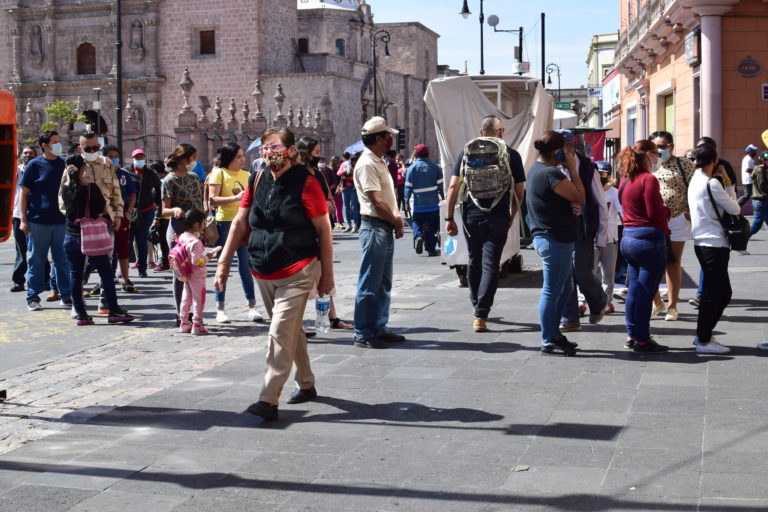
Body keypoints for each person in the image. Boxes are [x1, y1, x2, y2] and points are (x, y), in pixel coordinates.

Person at [214, 127, 334, 421]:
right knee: (290, 330)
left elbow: (324, 230)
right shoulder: (257, 179)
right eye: (265, 147)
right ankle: (306, 383)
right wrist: (224, 263)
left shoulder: (307, 183)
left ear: (292, 150)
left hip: (299, 266)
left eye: (276, 146)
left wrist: (327, 277)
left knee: (279, 330)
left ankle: (268, 399)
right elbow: (240, 223)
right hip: (263, 268)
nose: (270, 152)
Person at [445, 115, 526, 332]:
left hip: (472, 215)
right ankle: (481, 314)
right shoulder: (511, 154)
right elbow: (519, 191)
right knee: (491, 263)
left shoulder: (466, 153)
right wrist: (512, 215)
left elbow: (453, 187)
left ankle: (475, 305)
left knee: (474, 260)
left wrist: (449, 217)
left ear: (481, 133)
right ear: (501, 132)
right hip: (498, 215)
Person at [526, 131, 584, 355]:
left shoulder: (537, 170)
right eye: (567, 149)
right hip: (554, 239)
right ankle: (548, 338)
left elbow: (561, 200)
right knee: (552, 291)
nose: (570, 153)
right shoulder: (551, 173)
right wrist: (573, 169)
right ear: (557, 151)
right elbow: (579, 195)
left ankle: (553, 334)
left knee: (564, 288)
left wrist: (570, 206)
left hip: (551, 237)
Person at [60, 154, 135, 325]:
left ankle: (81, 313)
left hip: (71, 235)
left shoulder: (65, 188)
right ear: (82, 168)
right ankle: (114, 310)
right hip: (92, 236)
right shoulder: (91, 187)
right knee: (106, 272)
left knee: (75, 275)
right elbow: (101, 207)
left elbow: (66, 209)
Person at [353, 117, 406, 348]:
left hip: (382, 226)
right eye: (387, 136)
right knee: (369, 282)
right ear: (378, 138)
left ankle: (379, 326)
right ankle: (363, 331)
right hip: (375, 226)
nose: (390, 140)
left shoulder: (378, 161)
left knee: (383, 282)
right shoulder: (367, 164)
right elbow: (376, 201)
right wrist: (395, 220)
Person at [618, 140, 670, 353]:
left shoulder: (625, 179)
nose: (658, 157)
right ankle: (642, 339)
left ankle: (632, 335)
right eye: (657, 153)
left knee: (634, 291)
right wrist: (667, 211)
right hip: (648, 239)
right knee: (645, 292)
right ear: (648, 154)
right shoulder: (648, 179)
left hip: (628, 237)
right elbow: (654, 213)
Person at [296, 137, 353, 331]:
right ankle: (296, 322)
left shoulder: (319, 175)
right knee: (302, 277)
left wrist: (327, 205)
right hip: (303, 231)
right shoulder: (297, 175)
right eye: (316, 151)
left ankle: (331, 316)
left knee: (325, 273)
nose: (319, 155)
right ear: (304, 153)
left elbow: (329, 198)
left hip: (320, 229)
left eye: (320, 151)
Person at [688, 144, 740, 354]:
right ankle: (703, 339)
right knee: (717, 294)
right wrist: (727, 180)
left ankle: (704, 334)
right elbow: (734, 208)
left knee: (717, 292)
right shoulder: (712, 184)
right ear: (715, 160)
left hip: (702, 241)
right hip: (714, 243)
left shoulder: (695, 180)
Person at [558, 130, 608, 333]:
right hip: (560, 228)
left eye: (565, 145)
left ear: (572, 146)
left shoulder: (588, 168)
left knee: (581, 272)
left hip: (583, 228)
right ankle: (570, 317)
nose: (562, 150)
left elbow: (600, 202)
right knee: (564, 274)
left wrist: (602, 235)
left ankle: (599, 300)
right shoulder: (552, 166)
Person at [207, 143, 264, 323]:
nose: (242, 159)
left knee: (246, 266)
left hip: (245, 224)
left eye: (242, 156)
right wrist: (235, 198)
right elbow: (212, 200)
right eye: (238, 156)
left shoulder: (248, 175)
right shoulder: (219, 173)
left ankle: (252, 306)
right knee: (223, 264)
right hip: (225, 223)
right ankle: (220, 308)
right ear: (230, 158)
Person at [18, 131, 72, 311]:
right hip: (37, 222)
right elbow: (23, 194)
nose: (58, 145)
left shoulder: (64, 164)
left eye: (59, 142)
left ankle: (66, 295)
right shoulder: (34, 165)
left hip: (60, 221)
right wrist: (23, 220)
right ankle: (32, 297)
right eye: (55, 142)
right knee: (36, 260)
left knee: (62, 261)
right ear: (45, 145)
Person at [648, 131, 695, 322]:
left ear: (671, 146)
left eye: (663, 145)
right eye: (655, 146)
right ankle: (656, 302)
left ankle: (672, 306)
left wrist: (690, 212)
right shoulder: (649, 165)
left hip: (677, 218)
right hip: (654, 219)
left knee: (672, 262)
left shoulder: (684, 164)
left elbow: (695, 187)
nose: (660, 150)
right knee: (651, 263)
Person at [161, 143, 204, 325]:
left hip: (195, 230)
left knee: (196, 273)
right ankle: (180, 314)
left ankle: (194, 313)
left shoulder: (194, 177)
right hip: (178, 230)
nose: (195, 161)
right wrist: (175, 209)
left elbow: (199, 204)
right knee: (180, 273)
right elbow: (164, 209)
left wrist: (204, 228)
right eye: (193, 158)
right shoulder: (169, 180)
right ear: (184, 159)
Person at [177, 209, 220, 335]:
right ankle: (197, 324)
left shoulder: (183, 236)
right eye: (203, 223)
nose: (204, 225)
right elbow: (197, 261)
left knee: (186, 298)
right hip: (196, 274)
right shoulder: (196, 242)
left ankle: (184, 322)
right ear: (196, 224)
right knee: (198, 299)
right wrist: (208, 257)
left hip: (186, 272)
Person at [102, 144, 139, 294]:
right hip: (104, 217)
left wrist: (129, 211)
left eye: (115, 156)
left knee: (122, 248)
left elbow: (132, 194)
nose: (113, 159)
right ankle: (105, 280)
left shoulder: (124, 175)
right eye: (110, 156)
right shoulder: (98, 174)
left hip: (122, 216)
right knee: (104, 250)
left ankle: (125, 279)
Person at [404, 144, 444, 257]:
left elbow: (407, 188)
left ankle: (419, 236)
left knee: (416, 222)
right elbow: (441, 186)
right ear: (428, 154)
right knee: (432, 226)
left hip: (418, 204)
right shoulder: (436, 168)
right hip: (433, 204)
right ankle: (431, 250)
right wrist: (444, 198)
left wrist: (406, 202)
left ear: (416, 155)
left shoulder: (411, 169)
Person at [594, 161, 622, 314]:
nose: (600, 177)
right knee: (588, 272)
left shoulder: (615, 192)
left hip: (610, 238)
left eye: (603, 174)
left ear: (609, 175)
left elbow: (623, 211)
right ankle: (582, 300)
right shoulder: (589, 190)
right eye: (597, 173)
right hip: (591, 238)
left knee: (608, 274)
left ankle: (606, 302)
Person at [11, 146, 37, 293]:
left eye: (31, 153)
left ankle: (43, 279)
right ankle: (18, 281)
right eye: (25, 153)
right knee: (21, 249)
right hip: (17, 214)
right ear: (21, 155)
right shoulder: (15, 170)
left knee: (39, 249)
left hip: (35, 214)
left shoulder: (38, 169)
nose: (28, 155)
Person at [150, 160, 170, 271]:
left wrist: (156, 218)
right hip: (166, 215)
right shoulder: (165, 180)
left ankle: (165, 263)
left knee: (163, 241)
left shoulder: (161, 182)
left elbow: (159, 201)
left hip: (163, 216)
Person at [338, 151, 360, 233]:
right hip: (345, 188)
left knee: (354, 207)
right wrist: (344, 172)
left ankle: (355, 225)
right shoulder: (344, 164)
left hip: (353, 188)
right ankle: (349, 225)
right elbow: (338, 173)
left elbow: (358, 176)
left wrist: (351, 174)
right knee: (346, 207)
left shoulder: (357, 166)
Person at [748, 150, 768, 237]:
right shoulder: (761, 170)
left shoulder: (759, 169)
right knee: (758, 224)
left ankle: (742, 238)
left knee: (757, 224)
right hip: (762, 200)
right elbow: (762, 185)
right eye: (767, 160)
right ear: (762, 160)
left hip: (759, 200)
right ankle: (741, 238)